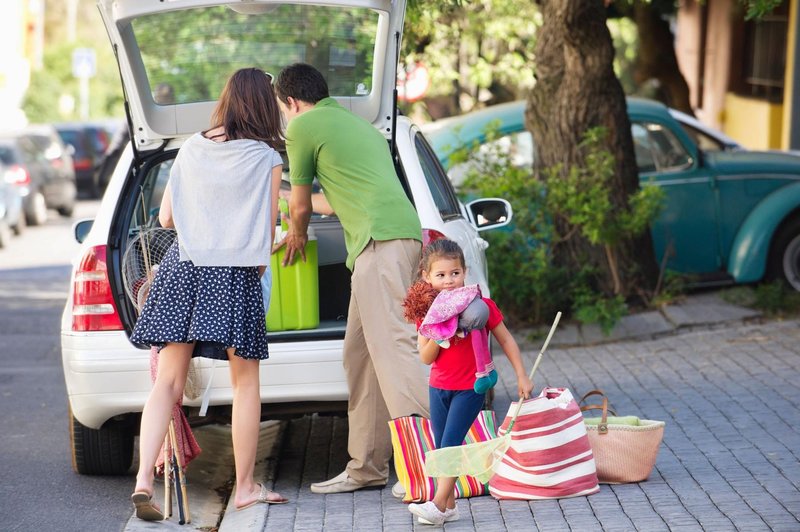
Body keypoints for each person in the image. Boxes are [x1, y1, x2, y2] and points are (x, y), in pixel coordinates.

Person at [128, 68, 288, 520]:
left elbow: (165, 220)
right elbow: (265, 232)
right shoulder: (265, 157)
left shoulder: (191, 147)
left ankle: (144, 480)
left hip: (182, 268)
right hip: (233, 274)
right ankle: (244, 488)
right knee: (246, 384)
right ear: (264, 105)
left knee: (168, 383)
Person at [273, 63, 430, 494]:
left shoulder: (302, 126)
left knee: (395, 348)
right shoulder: (355, 125)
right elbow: (338, 200)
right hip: (392, 238)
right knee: (359, 356)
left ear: (291, 102)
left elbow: (301, 209)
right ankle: (367, 466)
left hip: (380, 244)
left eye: (283, 110)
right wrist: (289, 198)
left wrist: (297, 236)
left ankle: (428, 465)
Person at [404, 239, 533, 526]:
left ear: (465, 271)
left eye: (455, 273)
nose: (449, 281)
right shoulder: (428, 312)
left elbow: (506, 339)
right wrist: (442, 334)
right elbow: (425, 357)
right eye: (440, 275)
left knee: (451, 443)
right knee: (441, 448)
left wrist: (522, 375)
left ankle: (437, 504)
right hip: (438, 387)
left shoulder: (481, 307)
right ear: (426, 276)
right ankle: (449, 507)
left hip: (471, 388)